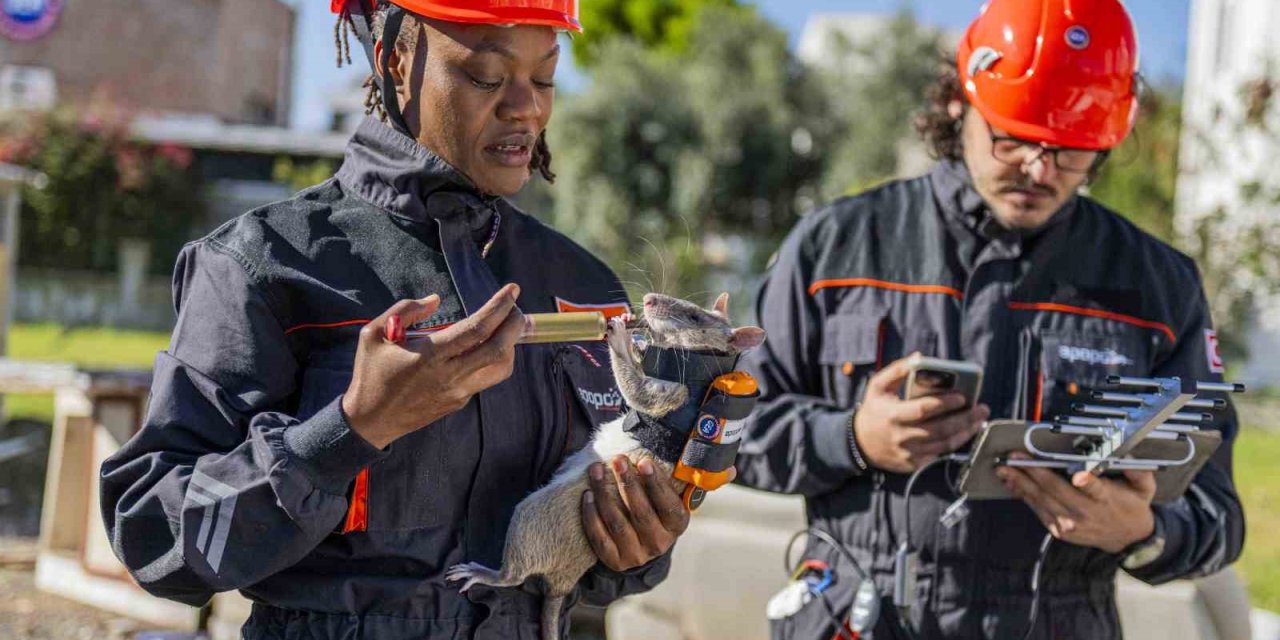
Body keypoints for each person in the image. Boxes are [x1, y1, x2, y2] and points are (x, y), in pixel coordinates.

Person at [99, 2, 688, 637]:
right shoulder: (262, 265)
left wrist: (635, 544)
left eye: (544, 77)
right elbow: (153, 535)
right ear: (395, 61)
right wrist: (353, 427)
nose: (527, 108)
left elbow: (588, 561)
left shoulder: (584, 286)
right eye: (488, 76)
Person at [734, 0, 1245, 638]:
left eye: (1070, 150)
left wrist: (1142, 531)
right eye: (1013, 138)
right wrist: (852, 438)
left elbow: (1219, 516)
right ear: (959, 103)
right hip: (855, 617)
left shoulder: (1159, 286)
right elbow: (729, 431)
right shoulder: (835, 247)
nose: (1039, 169)